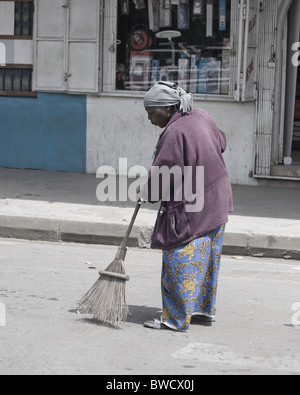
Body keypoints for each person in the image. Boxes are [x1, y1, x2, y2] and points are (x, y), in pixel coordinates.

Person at [139, 81, 233, 332]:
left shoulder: (173, 132)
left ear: (167, 108)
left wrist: (145, 192)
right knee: (208, 256)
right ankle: (203, 311)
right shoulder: (202, 115)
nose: (149, 119)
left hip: (197, 202)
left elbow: (164, 174)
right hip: (218, 195)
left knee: (178, 255)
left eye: (151, 113)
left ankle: (176, 319)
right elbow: (221, 142)